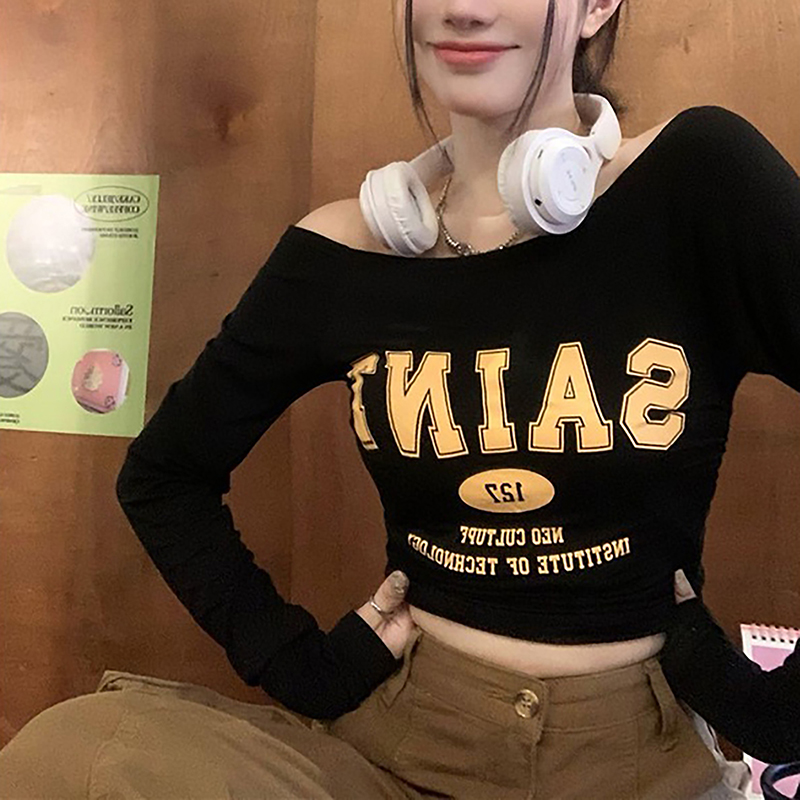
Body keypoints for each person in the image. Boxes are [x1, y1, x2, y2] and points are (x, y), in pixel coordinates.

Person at [1, 0, 798, 797]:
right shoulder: (344, 250)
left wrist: (769, 710)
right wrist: (299, 663)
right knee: (68, 757)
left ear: (595, 5)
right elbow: (164, 474)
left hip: (637, 759)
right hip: (402, 748)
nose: (463, 7)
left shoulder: (696, 178)